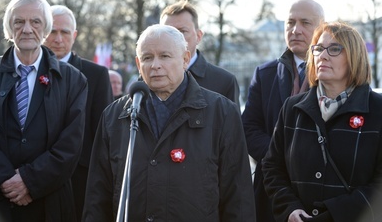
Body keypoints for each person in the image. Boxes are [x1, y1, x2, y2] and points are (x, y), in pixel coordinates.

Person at [82, 24, 256, 221]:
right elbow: (97, 197)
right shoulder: (115, 116)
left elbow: (239, 198)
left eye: (165, 56)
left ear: (185, 59)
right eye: (147, 58)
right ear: (139, 65)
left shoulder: (221, 112)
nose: (155, 65)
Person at [0, 0, 88, 222]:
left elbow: (71, 145)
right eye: (18, 22)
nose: (27, 29)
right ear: (9, 30)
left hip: (50, 204)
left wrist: (29, 181)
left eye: (35, 22)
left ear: (46, 29)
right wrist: (5, 180)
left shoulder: (73, 80)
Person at [262, 21, 382, 222]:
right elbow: (272, 167)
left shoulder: (378, 110)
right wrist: (289, 208)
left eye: (334, 49)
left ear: (355, 56)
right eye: (318, 49)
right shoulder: (292, 108)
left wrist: (334, 215)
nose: (323, 55)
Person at [240, 0, 324, 222]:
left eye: (305, 23)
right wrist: (282, 157)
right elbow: (249, 128)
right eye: (290, 23)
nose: (295, 30)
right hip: (271, 190)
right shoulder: (264, 74)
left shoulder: (335, 74)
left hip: (321, 190)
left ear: (321, 28)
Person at [43, 4, 112, 221]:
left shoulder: (96, 74)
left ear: (74, 35)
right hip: (34, 175)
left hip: (79, 179)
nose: (58, 39)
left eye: (64, 32)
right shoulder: (28, 70)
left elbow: (104, 132)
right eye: (52, 31)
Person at [160, 0, 241, 109]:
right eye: (168, 32)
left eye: (182, 31)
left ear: (198, 36)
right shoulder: (149, 79)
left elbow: (233, 125)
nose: (175, 38)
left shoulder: (224, 81)